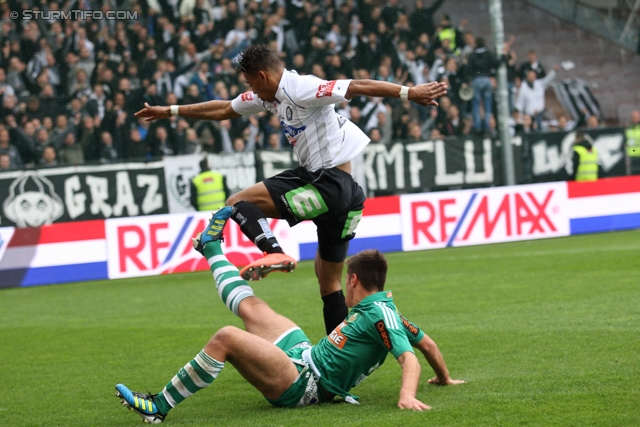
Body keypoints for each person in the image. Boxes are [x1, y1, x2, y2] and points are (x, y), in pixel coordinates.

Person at [135, 44, 447, 334]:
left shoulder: (301, 88)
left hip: (326, 183)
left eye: (252, 83)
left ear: (262, 75)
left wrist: (411, 92)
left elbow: (357, 86)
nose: (251, 91)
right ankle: (339, 366)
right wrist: (170, 111)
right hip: (347, 196)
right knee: (328, 284)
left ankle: (273, 253)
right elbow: (222, 109)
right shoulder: (266, 96)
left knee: (236, 201)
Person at [114, 208, 464, 424]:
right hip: (304, 355)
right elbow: (428, 345)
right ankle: (210, 247)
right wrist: (444, 378)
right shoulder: (387, 312)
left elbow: (409, 360)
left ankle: (158, 406)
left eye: (346, 280)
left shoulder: (380, 316)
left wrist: (406, 395)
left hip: (305, 385)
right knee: (254, 309)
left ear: (354, 280)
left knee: (226, 337)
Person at [625, 110, 640, 175]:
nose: (635, 118)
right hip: (632, 155)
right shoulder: (627, 129)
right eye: (633, 117)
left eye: (636, 117)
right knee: (634, 176)